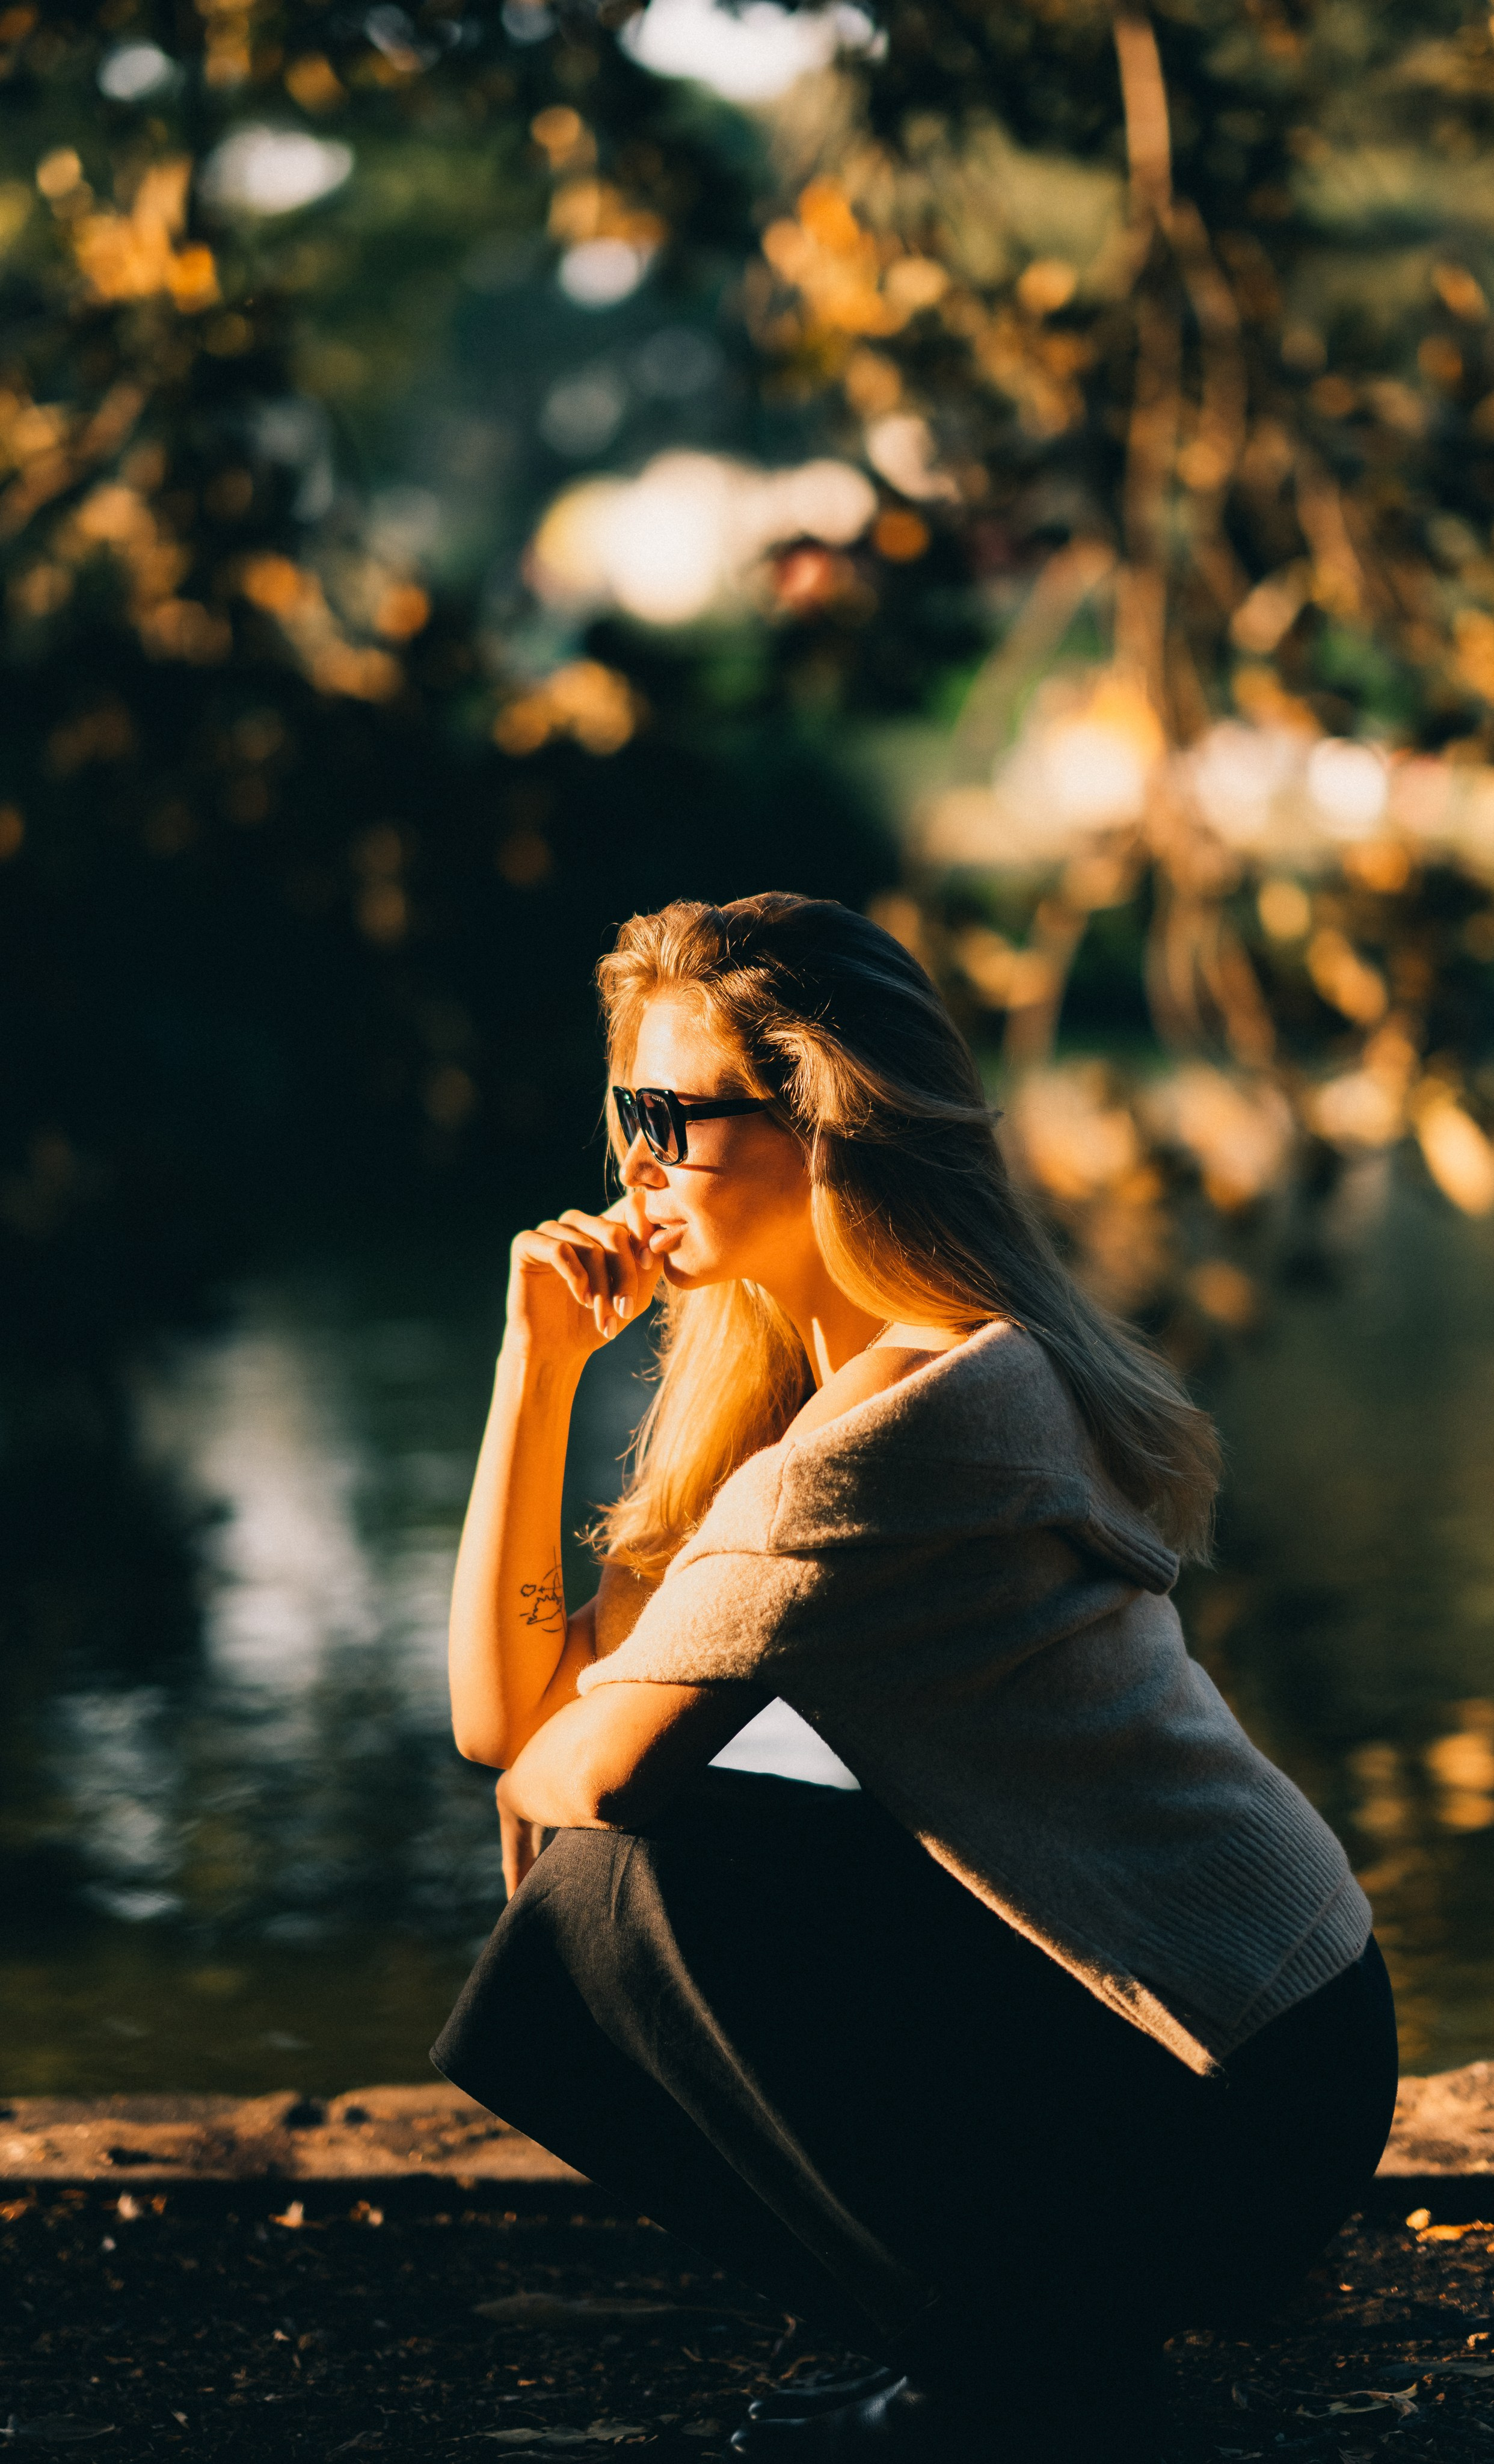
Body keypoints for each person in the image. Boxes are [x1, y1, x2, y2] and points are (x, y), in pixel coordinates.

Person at [433, 893, 1397, 2463]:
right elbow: (506, 1723)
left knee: (629, 1875)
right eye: (626, 1113)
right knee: (652, 1850)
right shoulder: (796, 1395)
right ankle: (991, 2355)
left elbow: (581, 1775)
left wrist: (568, 1764)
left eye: (670, 1118)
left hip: (1245, 2086)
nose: (632, 1164)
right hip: (1222, 2047)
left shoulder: (916, 1421)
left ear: (820, 1124)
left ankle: (1026, 2374)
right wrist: (531, 1369)